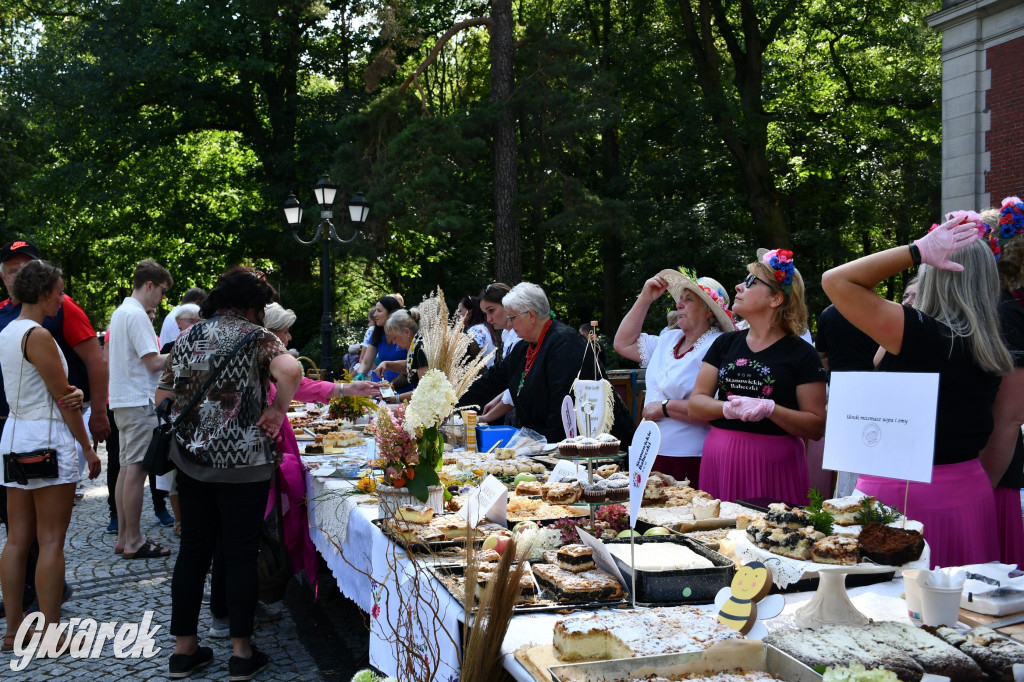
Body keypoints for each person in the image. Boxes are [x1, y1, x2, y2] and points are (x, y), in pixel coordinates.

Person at [821, 215, 1010, 568]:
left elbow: (836, 280)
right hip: (967, 491)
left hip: (902, 496)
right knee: (959, 617)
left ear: (934, 272)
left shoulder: (922, 334)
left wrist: (916, 250)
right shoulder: (990, 345)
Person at [157, 267, 302, 680]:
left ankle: (184, 651)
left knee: (193, 552)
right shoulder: (259, 337)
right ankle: (241, 653)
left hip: (191, 461)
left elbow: (163, 395)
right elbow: (291, 371)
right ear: (253, 307)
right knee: (239, 553)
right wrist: (275, 411)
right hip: (245, 464)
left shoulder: (188, 336)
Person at [204, 302, 378, 638]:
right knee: (243, 541)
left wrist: (344, 389)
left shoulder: (262, 361)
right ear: (270, 332)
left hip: (262, 463)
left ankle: (249, 602)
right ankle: (227, 615)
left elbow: (300, 386)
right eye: (284, 331)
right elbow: (291, 384)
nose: (289, 337)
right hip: (252, 465)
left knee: (255, 539)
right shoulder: (252, 364)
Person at [0, 239, 105, 617]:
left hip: (14, 437)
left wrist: (71, 393)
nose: (62, 300)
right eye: (59, 293)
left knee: (16, 540)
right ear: (44, 294)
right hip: (43, 438)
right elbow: (62, 399)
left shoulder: (7, 331)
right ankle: (49, 630)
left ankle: (13, 629)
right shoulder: (38, 334)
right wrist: (89, 448)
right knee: (50, 541)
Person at [690, 249, 827, 506]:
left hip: (774, 464)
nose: (739, 286)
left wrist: (770, 409)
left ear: (776, 299)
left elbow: (816, 426)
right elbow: (696, 404)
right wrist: (728, 409)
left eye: (751, 281)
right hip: (720, 456)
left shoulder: (803, 354)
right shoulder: (725, 344)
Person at [459, 282, 635, 444]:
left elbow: (562, 407)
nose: (510, 324)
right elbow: (491, 380)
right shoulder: (524, 348)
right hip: (554, 445)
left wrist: (544, 453)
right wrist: (452, 401)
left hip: (593, 450)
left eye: (512, 318)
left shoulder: (565, 344)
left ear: (531, 315)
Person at [613, 270, 735, 484]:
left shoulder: (719, 345)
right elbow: (622, 343)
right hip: (647, 448)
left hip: (688, 455)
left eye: (688, 300)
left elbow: (718, 409)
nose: (679, 305)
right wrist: (645, 298)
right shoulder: (669, 339)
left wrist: (663, 408)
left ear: (709, 311)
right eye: (680, 299)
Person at [108, 259, 173, 560]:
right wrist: (180, 349)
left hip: (124, 400)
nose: (162, 298)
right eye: (161, 291)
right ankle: (133, 540)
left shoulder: (121, 312)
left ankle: (124, 537)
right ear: (149, 285)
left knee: (126, 469)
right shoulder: (136, 315)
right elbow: (153, 362)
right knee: (136, 471)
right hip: (138, 401)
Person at [977, 198, 1024, 566]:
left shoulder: (1006, 313)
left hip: (990, 473)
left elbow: (1008, 418)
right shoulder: (999, 307)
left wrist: (978, 491)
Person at [477, 283, 520, 425]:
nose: (489, 319)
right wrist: (498, 399)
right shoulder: (507, 334)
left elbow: (521, 382)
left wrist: (486, 417)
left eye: (491, 311)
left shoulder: (520, 336)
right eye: (485, 314)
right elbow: (514, 382)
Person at [354, 296, 406, 384]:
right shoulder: (377, 334)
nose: (374, 315)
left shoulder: (405, 333)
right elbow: (366, 362)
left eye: (379, 311)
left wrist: (387, 364)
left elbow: (412, 363)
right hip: (381, 387)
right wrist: (361, 373)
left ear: (391, 313)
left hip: (403, 389)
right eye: (375, 311)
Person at [384, 308, 427, 389]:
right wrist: (386, 364)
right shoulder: (417, 344)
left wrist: (396, 398)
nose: (394, 343)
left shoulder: (419, 348)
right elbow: (410, 366)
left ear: (407, 332)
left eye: (395, 337)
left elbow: (425, 390)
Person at [457, 295, 497, 366]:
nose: (457, 314)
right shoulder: (483, 327)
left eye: (460, 311)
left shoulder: (475, 330)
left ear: (470, 312)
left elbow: (476, 357)